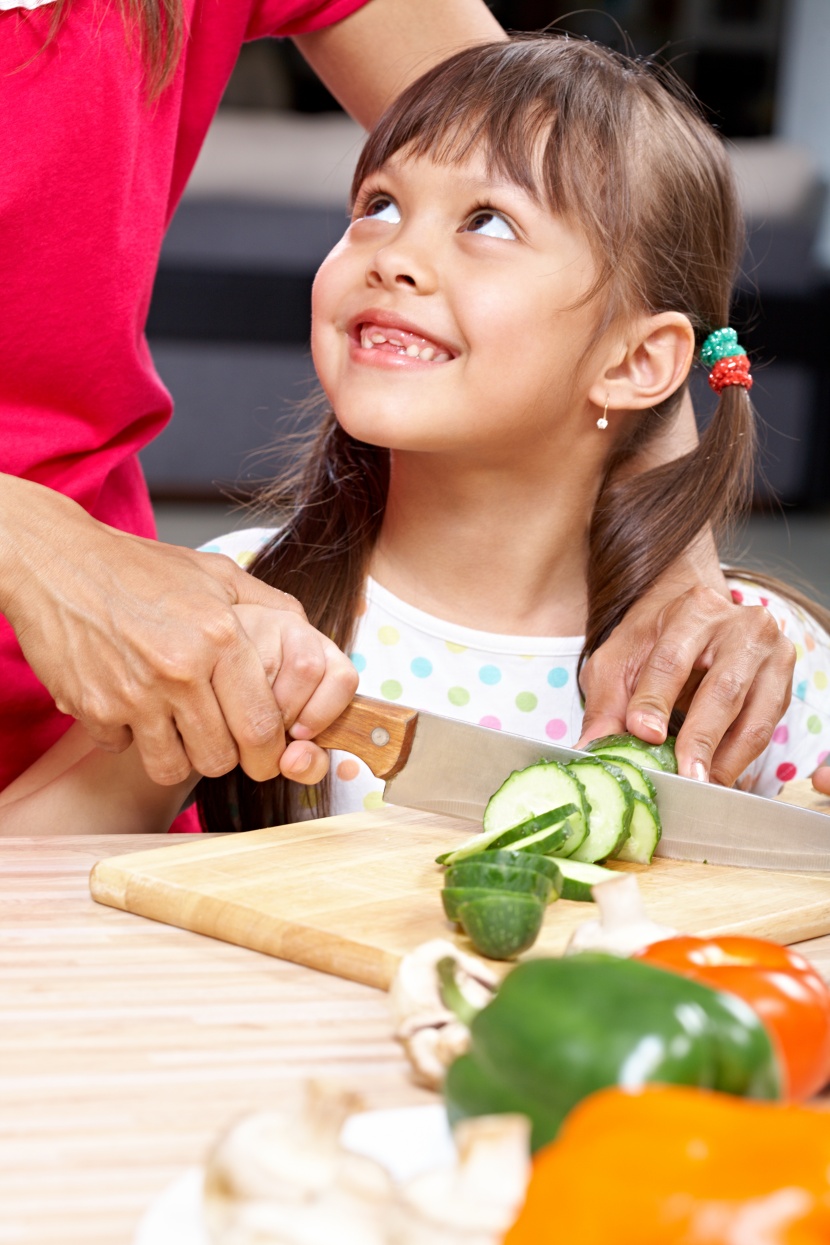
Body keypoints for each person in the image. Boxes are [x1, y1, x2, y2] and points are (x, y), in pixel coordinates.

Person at [2, 33, 828, 837]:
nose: (396, 254)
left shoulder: (752, 661)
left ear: (639, 360)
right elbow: (32, 869)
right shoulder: (235, 602)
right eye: (379, 205)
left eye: (489, 223)